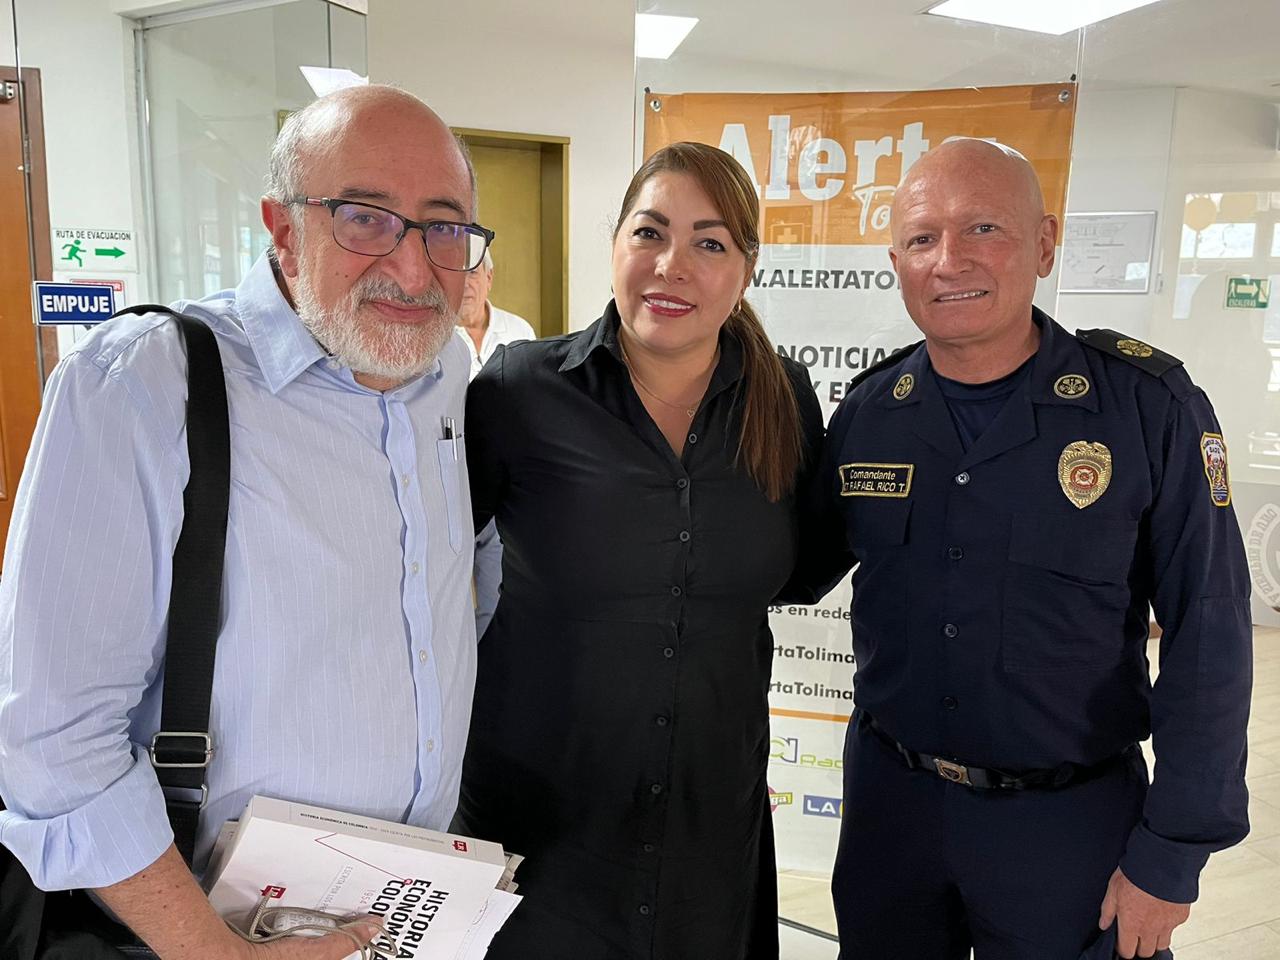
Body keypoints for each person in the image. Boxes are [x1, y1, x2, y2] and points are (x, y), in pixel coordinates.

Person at [0, 85, 493, 960]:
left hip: (398, 925)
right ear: (281, 227)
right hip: (183, 934)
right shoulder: (146, 383)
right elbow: (49, 741)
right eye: (365, 218)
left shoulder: (446, 371)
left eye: (444, 226)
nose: (414, 269)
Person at [799, 137, 1252, 960]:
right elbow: (783, 563)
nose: (949, 260)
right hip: (891, 819)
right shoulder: (870, 414)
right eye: (922, 238)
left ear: (1045, 243)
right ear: (895, 259)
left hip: (1068, 829)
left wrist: (1172, 855)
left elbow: (1210, 631)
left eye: (983, 230)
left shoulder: (1145, 410)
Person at [455, 141, 824, 960]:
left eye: (709, 242)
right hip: (541, 827)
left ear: (746, 267)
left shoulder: (785, 402)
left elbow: (804, 568)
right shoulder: (520, 392)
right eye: (650, 233)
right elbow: (426, 571)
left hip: (710, 825)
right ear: (616, 245)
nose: (672, 266)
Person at [456, 249, 537, 380]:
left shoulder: (520, 331)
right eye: (457, 274)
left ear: (488, 278)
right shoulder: (436, 337)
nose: (465, 284)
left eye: (472, 272)